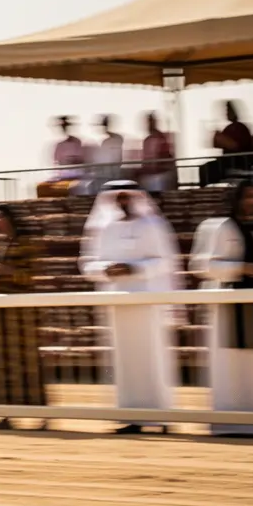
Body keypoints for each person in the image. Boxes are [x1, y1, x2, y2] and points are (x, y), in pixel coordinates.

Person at [79, 181, 181, 435]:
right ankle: (130, 414)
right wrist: (105, 269)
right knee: (123, 361)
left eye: (127, 197)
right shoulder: (104, 228)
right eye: (118, 198)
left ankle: (161, 414)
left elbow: (166, 262)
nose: (123, 202)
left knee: (153, 357)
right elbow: (87, 263)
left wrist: (136, 268)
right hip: (117, 300)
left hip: (148, 300)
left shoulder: (154, 225)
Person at [189, 181, 253, 438]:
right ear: (237, 198)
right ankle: (228, 421)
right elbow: (201, 265)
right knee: (228, 361)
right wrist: (243, 268)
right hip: (227, 303)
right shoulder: (217, 226)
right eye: (250, 196)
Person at [0, 205, 48, 430]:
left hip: (22, 315)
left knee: (28, 363)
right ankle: (4, 414)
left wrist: (4, 271)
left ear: (8, 219)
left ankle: (41, 414)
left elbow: (30, 276)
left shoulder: (26, 243)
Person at [201, 101, 253, 187]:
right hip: (228, 161)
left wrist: (222, 139)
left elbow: (235, 146)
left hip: (237, 162)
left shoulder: (239, 127)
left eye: (228, 111)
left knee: (207, 169)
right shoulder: (230, 127)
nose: (226, 113)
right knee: (206, 168)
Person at [37, 116, 86, 197]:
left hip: (76, 174)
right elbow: (56, 162)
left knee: (74, 187)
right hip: (62, 175)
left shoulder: (78, 142)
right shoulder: (59, 145)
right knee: (41, 187)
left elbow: (81, 159)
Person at [139, 111, 176, 192]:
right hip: (149, 175)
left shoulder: (161, 138)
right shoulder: (147, 140)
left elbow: (166, 155)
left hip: (159, 175)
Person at [88, 114, 124, 192]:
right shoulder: (105, 142)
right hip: (102, 172)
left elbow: (118, 159)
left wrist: (106, 128)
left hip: (113, 172)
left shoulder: (118, 139)